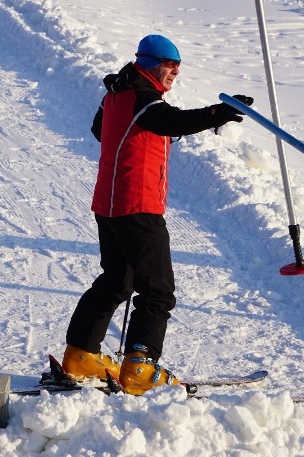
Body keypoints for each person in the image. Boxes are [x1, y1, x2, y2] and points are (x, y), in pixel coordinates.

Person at [60, 35, 253, 395]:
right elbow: (168, 121)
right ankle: (140, 367)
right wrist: (217, 113)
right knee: (158, 290)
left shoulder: (117, 93)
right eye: (169, 64)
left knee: (117, 279)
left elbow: (100, 130)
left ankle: (81, 354)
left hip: (110, 204)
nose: (175, 71)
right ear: (149, 64)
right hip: (138, 205)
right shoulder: (141, 98)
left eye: (179, 66)